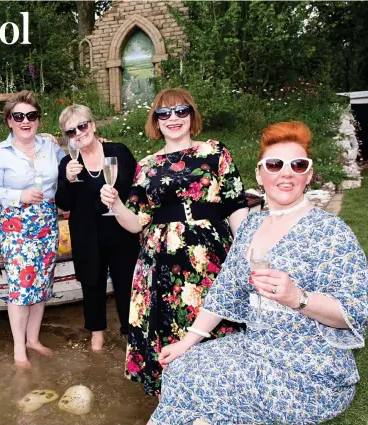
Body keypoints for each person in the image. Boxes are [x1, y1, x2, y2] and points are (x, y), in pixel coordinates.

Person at [150, 121, 368, 425]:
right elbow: (226, 288)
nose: (286, 173)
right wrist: (187, 341)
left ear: (308, 175)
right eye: (275, 164)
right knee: (180, 369)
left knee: (207, 387)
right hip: (256, 347)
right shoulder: (252, 225)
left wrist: (299, 298)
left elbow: (353, 310)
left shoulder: (330, 232)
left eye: (298, 165)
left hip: (306, 368)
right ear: (260, 173)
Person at [100, 88, 249, 396]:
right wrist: (115, 206)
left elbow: (235, 204)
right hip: (160, 263)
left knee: (213, 319)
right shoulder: (147, 165)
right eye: (164, 113)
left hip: (210, 256)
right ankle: (175, 398)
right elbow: (135, 222)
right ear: (156, 120)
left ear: (191, 115)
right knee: (166, 328)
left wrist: (246, 248)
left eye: (181, 111)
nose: (173, 118)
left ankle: (220, 394)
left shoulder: (215, 151)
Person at [0, 90, 66, 368]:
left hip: (46, 223)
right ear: (9, 121)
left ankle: (33, 339)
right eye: (18, 116)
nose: (25, 121)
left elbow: (69, 166)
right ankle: (19, 348)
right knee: (20, 288)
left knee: (41, 285)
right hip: (16, 226)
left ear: (38, 120)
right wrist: (19, 197)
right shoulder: (0, 153)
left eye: (30, 116)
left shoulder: (50, 147)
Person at [55, 104, 139, 352]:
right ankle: (97, 335)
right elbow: (63, 203)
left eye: (83, 126)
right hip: (86, 234)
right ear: (67, 137)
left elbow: (137, 189)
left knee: (127, 284)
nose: (79, 133)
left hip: (121, 230)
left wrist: (124, 205)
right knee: (91, 284)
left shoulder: (118, 152)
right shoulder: (68, 162)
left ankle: (130, 333)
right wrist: (67, 180)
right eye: (71, 131)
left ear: (93, 125)